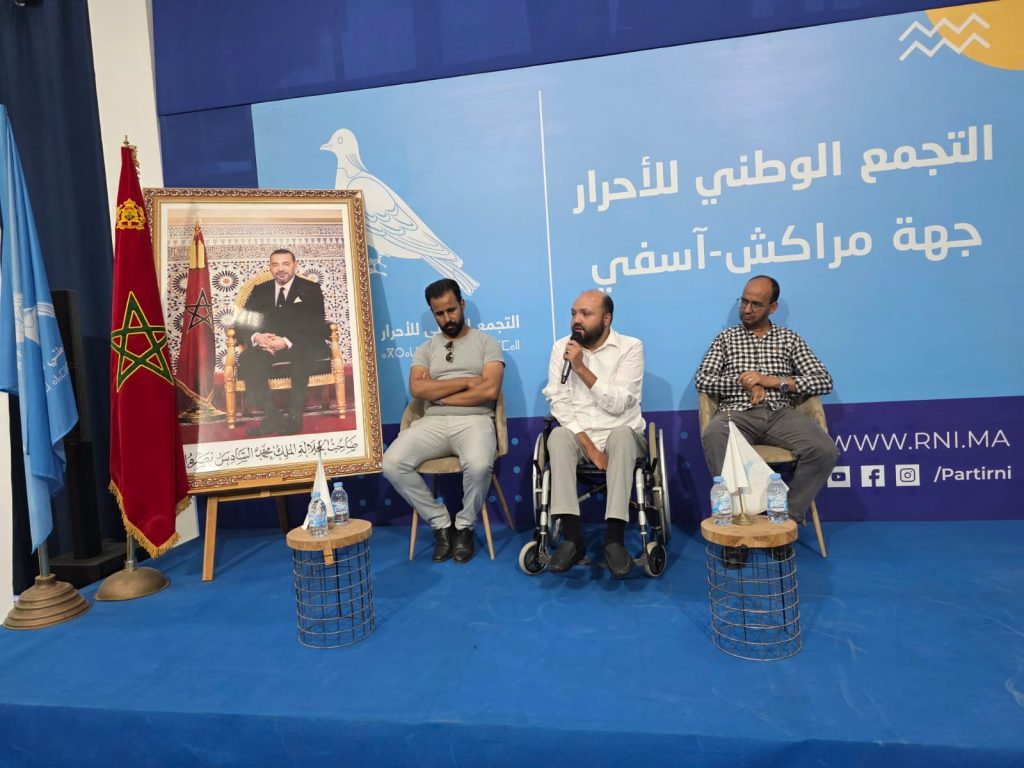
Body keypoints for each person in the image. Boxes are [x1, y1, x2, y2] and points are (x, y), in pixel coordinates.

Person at [695, 275, 838, 523]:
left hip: (780, 414)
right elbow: (703, 379)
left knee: (825, 450)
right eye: (744, 301)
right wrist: (743, 381)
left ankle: (787, 518)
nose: (746, 309)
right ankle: (735, 517)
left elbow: (823, 380)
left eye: (756, 304)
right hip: (736, 414)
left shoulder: (789, 339)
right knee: (714, 434)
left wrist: (771, 381)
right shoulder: (725, 338)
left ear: (772, 308)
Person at [382, 278, 504, 564]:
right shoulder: (426, 349)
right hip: (432, 422)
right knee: (391, 463)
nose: (447, 318)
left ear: (462, 305)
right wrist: (467, 381)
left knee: (479, 465)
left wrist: (442, 395)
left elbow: (489, 390)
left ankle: (465, 526)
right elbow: (418, 389)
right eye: (439, 313)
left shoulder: (487, 343)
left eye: (451, 310)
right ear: (432, 313)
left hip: (475, 420)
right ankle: (440, 523)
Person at [541, 290, 645, 578]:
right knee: (557, 437)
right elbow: (559, 402)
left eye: (586, 314)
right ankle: (572, 539)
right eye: (574, 313)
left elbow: (619, 404)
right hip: (581, 435)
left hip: (621, 434)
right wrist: (589, 447)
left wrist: (580, 368)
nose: (577, 320)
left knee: (622, 435)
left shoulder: (630, 347)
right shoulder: (561, 348)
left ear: (606, 319)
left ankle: (614, 540)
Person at [234, 248, 328, 437]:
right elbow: (242, 322)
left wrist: (286, 341)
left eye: (285, 264)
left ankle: (294, 418)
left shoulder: (310, 288)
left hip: (301, 344)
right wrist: (257, 337)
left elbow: (316, 324)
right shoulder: (260, 290)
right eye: (275, 264)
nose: (280, 269)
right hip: (268, 344)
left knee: (302, 357)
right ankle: (271, 416)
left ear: (295, 265)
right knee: (248, 358)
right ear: (270, 267)